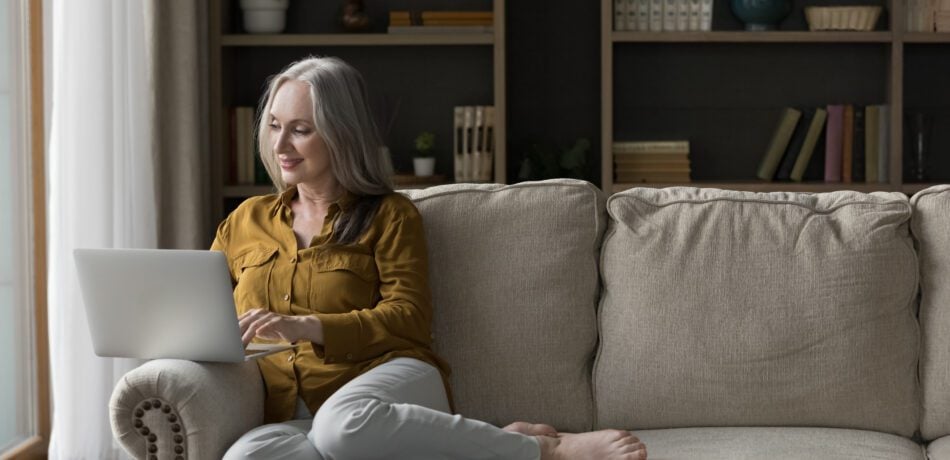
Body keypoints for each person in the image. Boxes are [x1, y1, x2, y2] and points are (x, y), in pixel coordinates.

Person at [214, 55, 648, 460]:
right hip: (293, 408)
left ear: (340, 132)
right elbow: (203, 314)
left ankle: (542, 450)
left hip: (389, 379)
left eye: (300, 129)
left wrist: (309, 326)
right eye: (274, 126)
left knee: (341, 428)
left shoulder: (389, 215)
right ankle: (491, 440)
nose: (281, 144)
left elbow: (409, 317)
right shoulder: (245, 220)